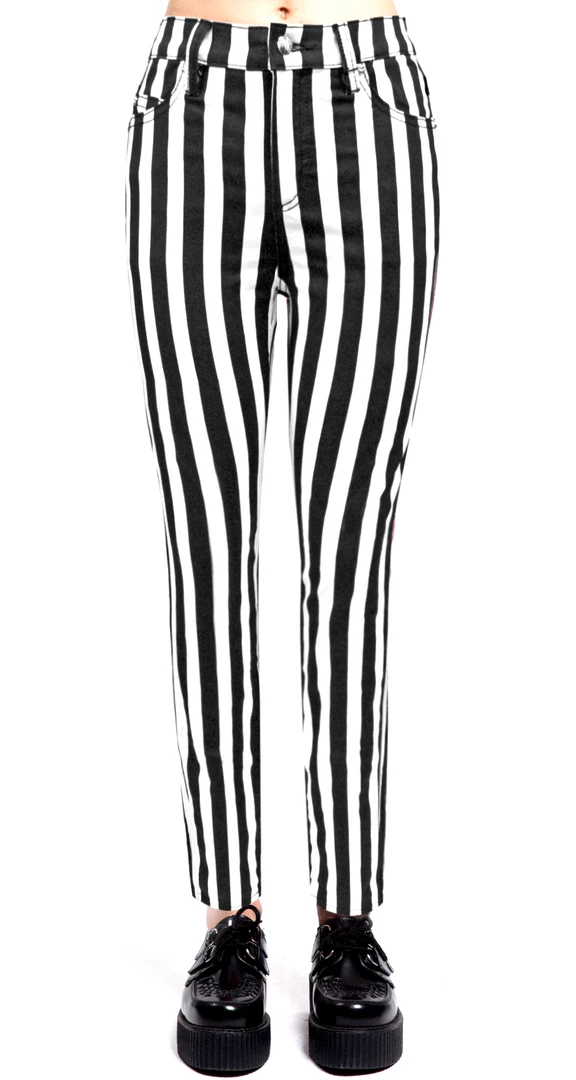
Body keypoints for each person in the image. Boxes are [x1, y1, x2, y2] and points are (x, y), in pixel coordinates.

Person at [125, 0, 440, 1071]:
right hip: (194, 103)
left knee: (352, 540)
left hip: (367, 102)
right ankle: (230, 917)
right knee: (204, 528)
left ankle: (347, 919)